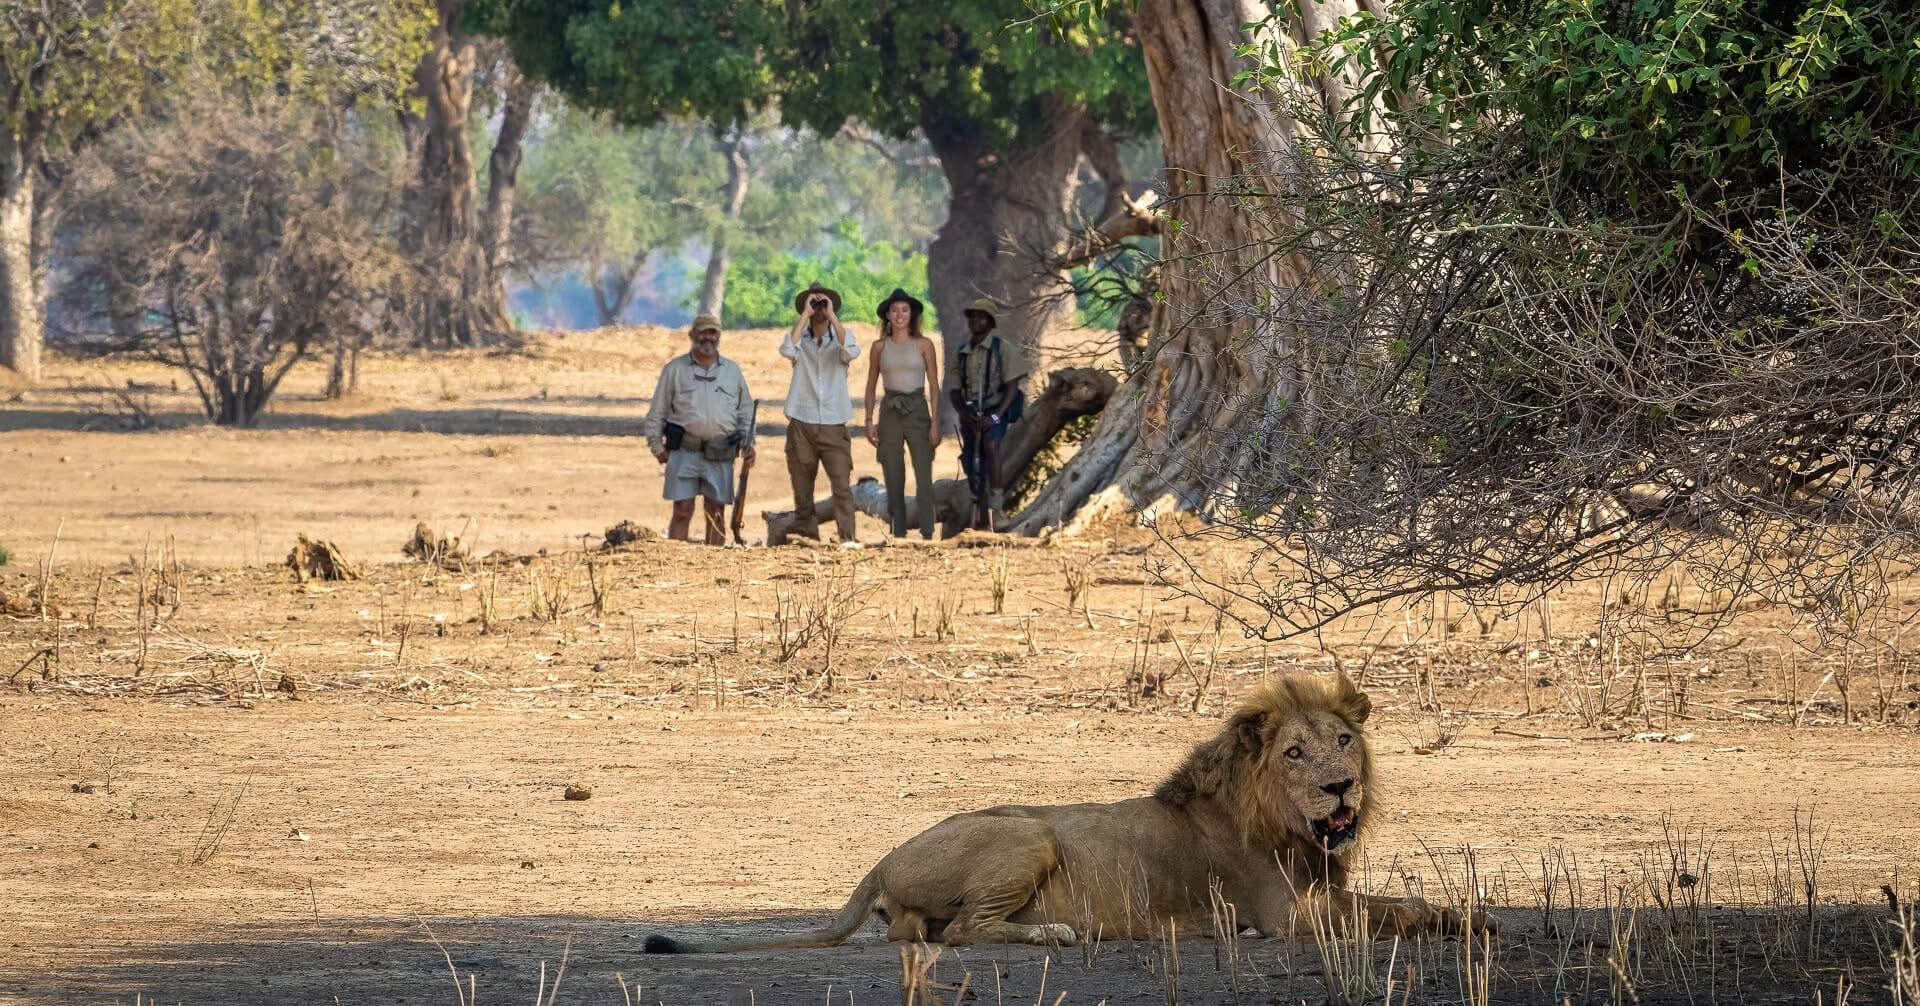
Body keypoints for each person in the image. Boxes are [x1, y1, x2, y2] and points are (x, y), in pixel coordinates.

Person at [644, 315, 755, 545]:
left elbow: (745, 412)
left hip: (720, 451)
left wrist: (748, 445)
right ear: (692, 335)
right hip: (684, 450)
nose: (708, 338)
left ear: (719, 336)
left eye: (712, 333)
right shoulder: (674, 370)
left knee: (715, 512)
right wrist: (656, 447)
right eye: (703, 332)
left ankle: (713, 567)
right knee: (682, 509)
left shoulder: (732, 371)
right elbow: (657, 410)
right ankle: (675, 562)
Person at [781, 282, 861, 544]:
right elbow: (785, 350)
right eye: (813, 303)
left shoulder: (839, 342)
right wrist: (804, 316)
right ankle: (807, 537)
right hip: (802, 421)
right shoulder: (799, 341)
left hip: (833, 422)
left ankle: (847, 539)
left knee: (841, 487)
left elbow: (851, 351)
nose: (818, 308)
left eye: (822, 303)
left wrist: (832, 316)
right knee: (802, 487)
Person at [862, 287, 942, 539]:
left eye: (904, 310)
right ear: (887, 315)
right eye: (894, 310)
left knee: (923, 473)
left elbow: (933, 385)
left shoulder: (924, 344)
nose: (899, 315)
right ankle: (898, 532)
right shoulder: (878, 347)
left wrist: (935, 423)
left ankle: (928, 532)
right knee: (893, 472)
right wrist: (868, 420)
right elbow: (871, 384)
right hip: (890, 410)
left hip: (918, 407)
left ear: (912, 314)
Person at [947, 298, 1029, 530]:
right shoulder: (962, 353)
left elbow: (1012, 387)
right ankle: (979, 513)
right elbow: (954, 391)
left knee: (991, 447)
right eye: (972, 316)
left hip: (995, 410)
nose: (976, 321)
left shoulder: (1002, 349)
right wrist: (965, 414)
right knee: (972, 462)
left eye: (981, 317)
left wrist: (995, 416)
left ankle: (997, 508)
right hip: (971, 413)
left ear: (990, 322)